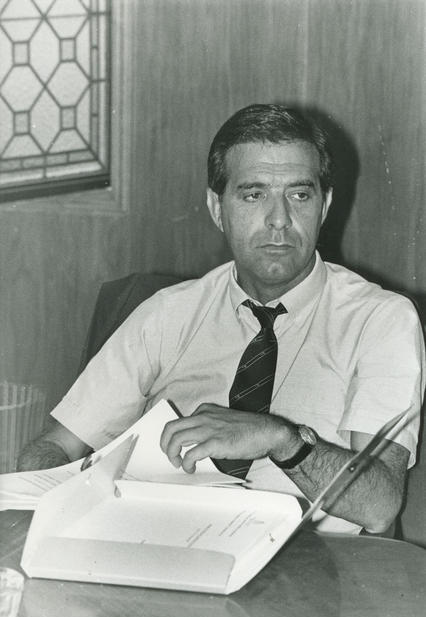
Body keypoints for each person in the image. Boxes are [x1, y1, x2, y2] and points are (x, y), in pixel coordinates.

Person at [17, 104, 425, 535]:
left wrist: (282, 440)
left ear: (323, 206)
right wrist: (55, 507)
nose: (279, 220)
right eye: (254, 195)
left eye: (299, 195)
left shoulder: (380, 320)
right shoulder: (167, 314)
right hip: (158, 545)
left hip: (311, 565)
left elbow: (380, 505)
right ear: (217, 207)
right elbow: (54, 447)